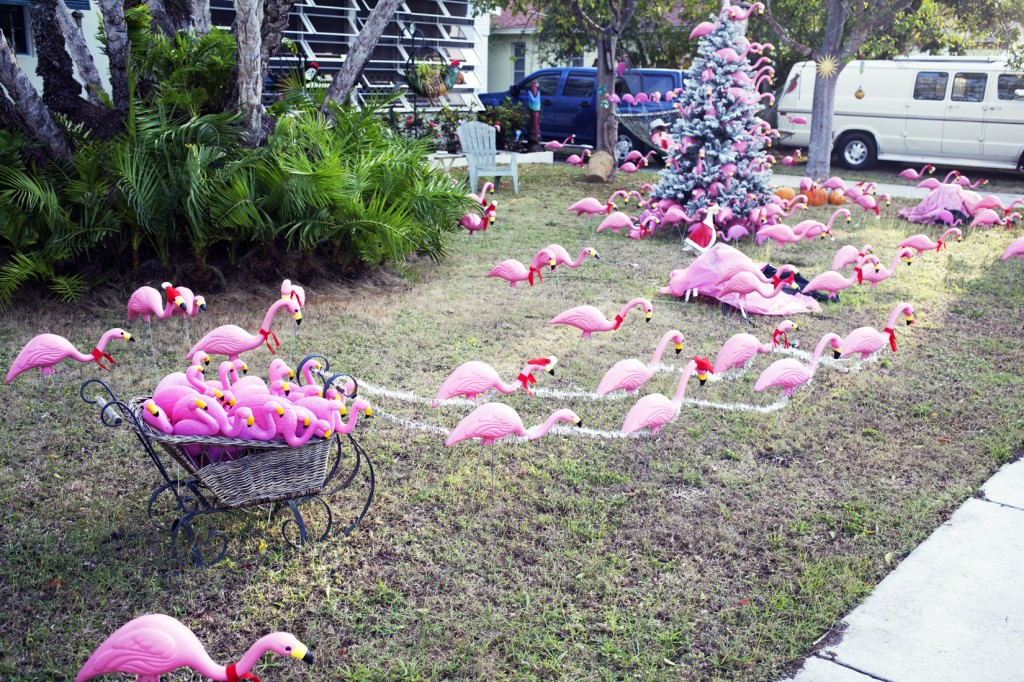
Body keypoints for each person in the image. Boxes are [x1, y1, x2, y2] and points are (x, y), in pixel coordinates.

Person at [526, 81, 542, 151]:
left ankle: (536, 137)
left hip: (536, 109)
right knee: (533, 125)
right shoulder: (531, 92)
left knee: (536, 126)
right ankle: (535, 137)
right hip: (533, 109)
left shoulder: (537, 92)